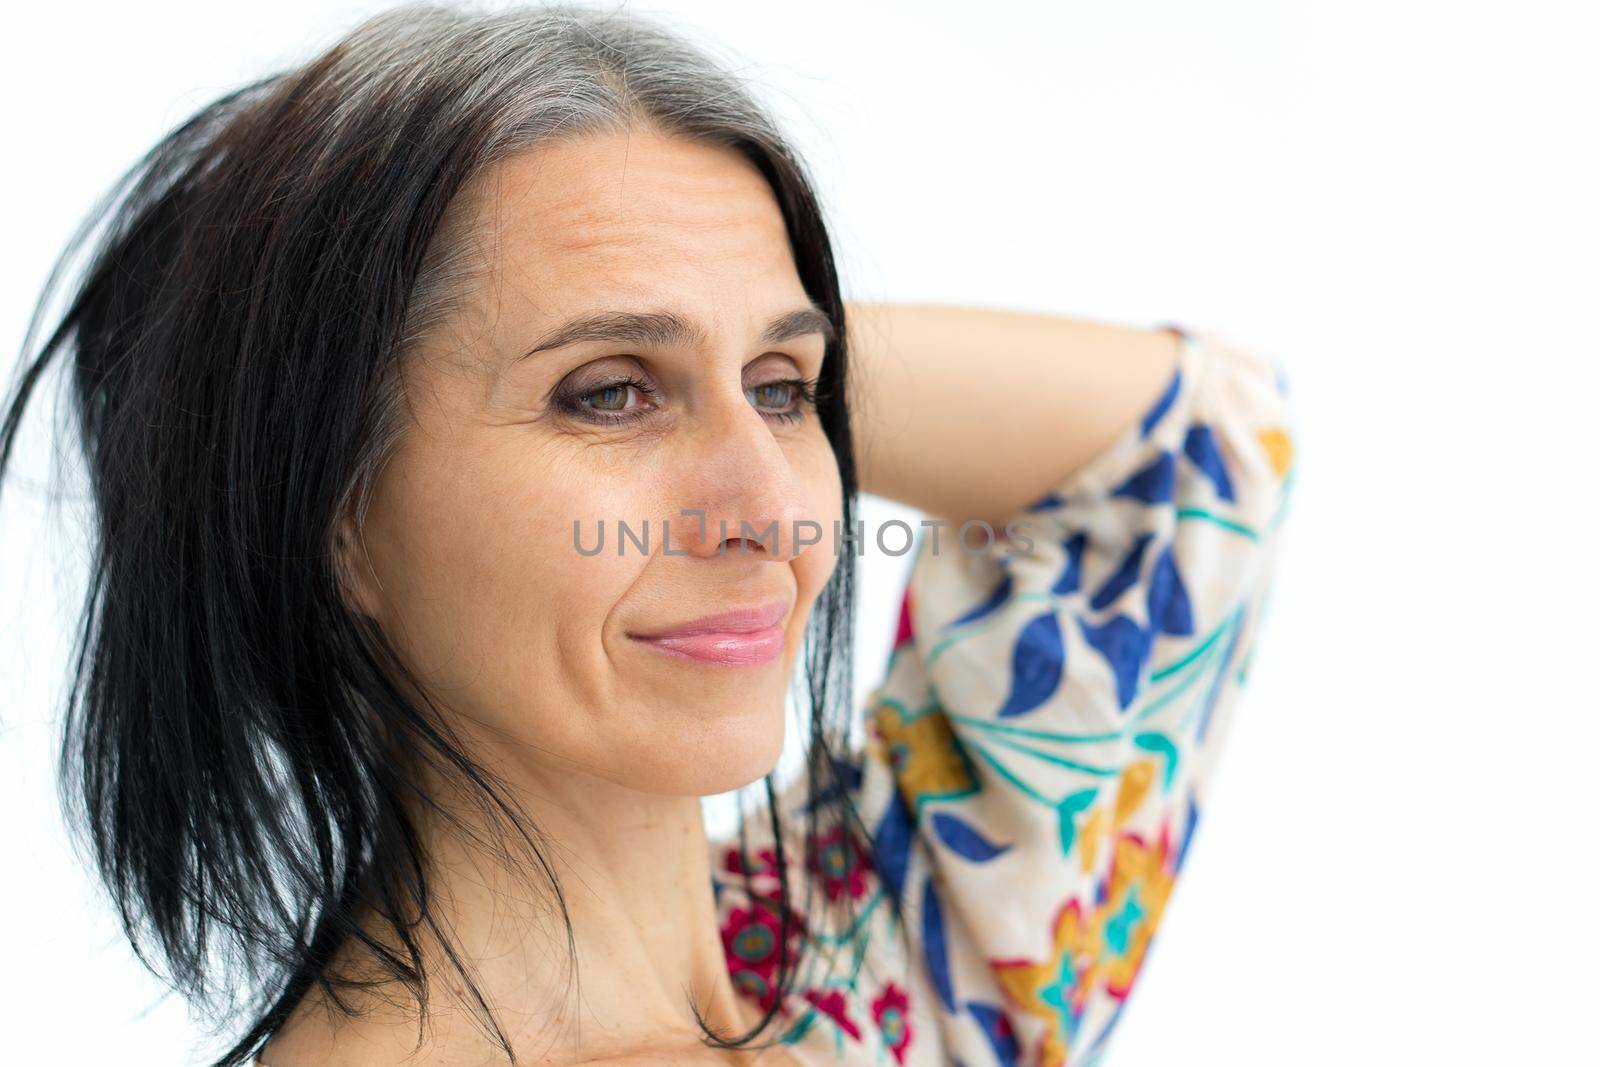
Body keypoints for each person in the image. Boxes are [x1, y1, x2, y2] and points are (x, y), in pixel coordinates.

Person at [0, 4, 1298, 1065]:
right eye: (608, 392)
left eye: (789, 395)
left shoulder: (879, 963)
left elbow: (1189, 452)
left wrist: (726, 335)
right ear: (336, 517)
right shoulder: (930, 967)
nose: (778, 510)